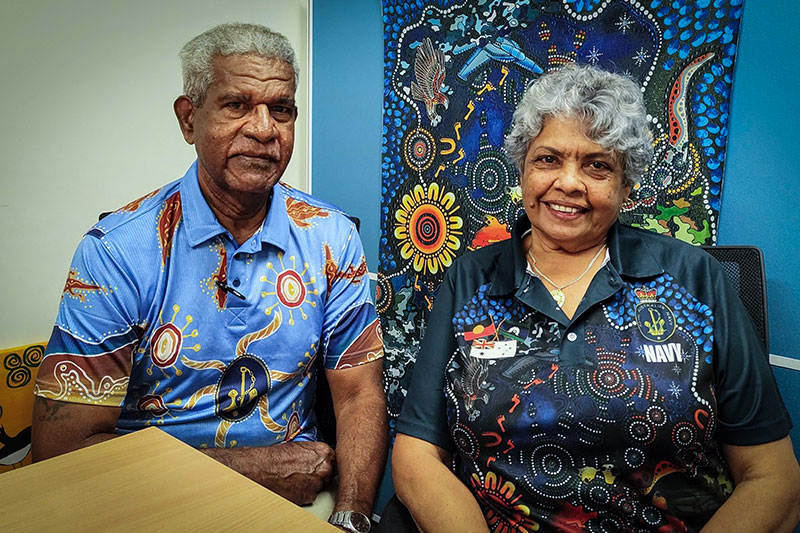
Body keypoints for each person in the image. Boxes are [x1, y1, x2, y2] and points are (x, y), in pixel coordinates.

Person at [392, 64, 800, 532]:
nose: (568, 182)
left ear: (627, 187)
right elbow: (416, 454)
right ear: (522, 168)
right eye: (548, 159)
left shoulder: (695, 279)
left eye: (597, 165)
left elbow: (774, 479)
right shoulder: (469, 281)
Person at [31, 22, 387, 532]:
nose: (264, 129)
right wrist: (253, 473)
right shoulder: (117, 251)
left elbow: (358, 396)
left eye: (280, 108)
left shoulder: (331, 239)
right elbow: (61, 453)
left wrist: (351, 517)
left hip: (296, 504)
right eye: (236, 105)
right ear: (188, 118)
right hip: (146, 502)